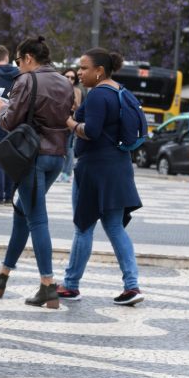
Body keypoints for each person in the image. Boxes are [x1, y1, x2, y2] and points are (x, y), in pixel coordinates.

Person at [0, 36, 73, 308]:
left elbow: (11, 122)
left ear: (29, 58)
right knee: (23, 211)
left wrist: (2, 110)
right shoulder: (64, 81)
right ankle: (2, 275)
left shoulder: (27, 80)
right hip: (56, 157)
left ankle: (48, 285)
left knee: (37, 219)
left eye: (19, 60)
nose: (18, 65)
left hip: (31, 157)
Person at [56, 48, 144, 306]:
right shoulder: (121, 92)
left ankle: (71, 285)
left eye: (84, 68)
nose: (80, 73)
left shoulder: (97, 96)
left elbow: (90, 131)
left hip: (95, 169)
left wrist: (69, 122)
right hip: (119, 166)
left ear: (99, 71)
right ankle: (132, 285)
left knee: (83, 227)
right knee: (115, 227)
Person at [0, 45, 20, 204]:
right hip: (13, 120)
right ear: (7, 57)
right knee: (11, 158)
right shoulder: (19, 74)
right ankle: (10, 195)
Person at [58, 68, 83, 182]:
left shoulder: (77, 91)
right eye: (67, 76)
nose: (69, 79)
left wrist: (75, 102)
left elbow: (79, 108)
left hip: (71, 122)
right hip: (58, 122)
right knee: (59, 149)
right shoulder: (58, 89)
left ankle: (67, 173)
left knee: (69, 148)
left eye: (72, 77)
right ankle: (60, 172)